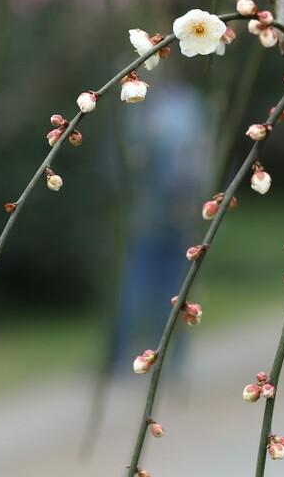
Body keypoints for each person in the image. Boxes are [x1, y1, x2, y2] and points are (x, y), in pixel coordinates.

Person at [108, 76, 212, 370]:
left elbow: (197, 159)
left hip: (172, 217)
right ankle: (130, 354)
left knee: (173, 288)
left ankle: (170, 356)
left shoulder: (183, 108)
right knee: (139, 289)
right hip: (146, 219)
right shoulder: (138, 113)